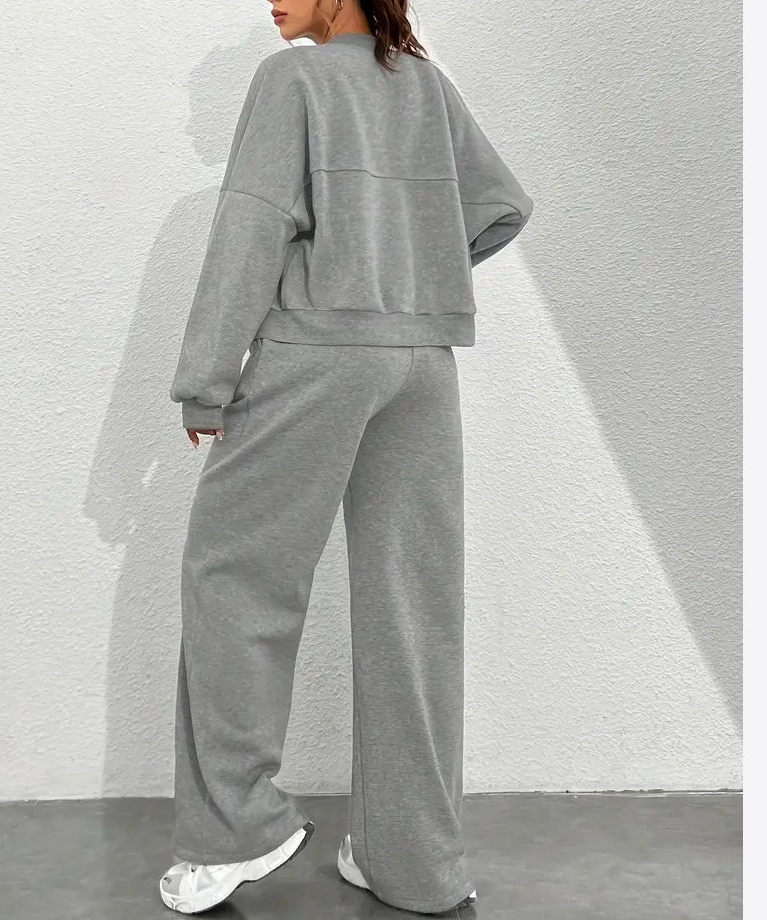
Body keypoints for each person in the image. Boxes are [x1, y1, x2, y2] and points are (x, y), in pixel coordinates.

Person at [160, 0, 534, 914]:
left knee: (235, 578)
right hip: (422, 367)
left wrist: (206, 379)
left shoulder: (291, 79)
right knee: (415, 608)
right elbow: (500, 207)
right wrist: (407, 273)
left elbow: (251, 226)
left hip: (316, 356)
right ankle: (416, 864)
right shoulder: (426, 87)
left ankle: (238, 830)